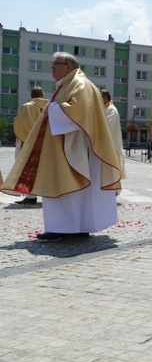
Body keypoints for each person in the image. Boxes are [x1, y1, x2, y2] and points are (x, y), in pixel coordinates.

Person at [1, 52, 121, 240]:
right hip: (66, 146)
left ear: (67, 66)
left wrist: (53, 108)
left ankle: (64, 228)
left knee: (66, 186)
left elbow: (77, 112)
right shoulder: (70, 83)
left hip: (71, 148)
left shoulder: (80, 84)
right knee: (71, 190)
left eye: (55, 64)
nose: (52, 68)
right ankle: (75, 227)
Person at [12, 86, 48, 205]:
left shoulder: (27, 106)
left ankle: (31, 197)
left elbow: (21, 126)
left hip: (29, 142)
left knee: (28, 169)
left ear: (31, 95)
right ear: (42, 95)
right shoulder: (49, 106)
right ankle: (49, 197)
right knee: (45, 169)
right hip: (47, 143)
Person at [101, 89, 126, 183]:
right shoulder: (103, 108)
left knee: (111, 168)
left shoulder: (112, 109)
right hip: (104, 144)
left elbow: (109, 126)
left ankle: (114, 187)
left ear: (106, 98)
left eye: (101, 97)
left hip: (110, 144)